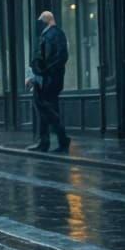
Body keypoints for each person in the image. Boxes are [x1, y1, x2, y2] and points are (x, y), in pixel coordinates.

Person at [28, 9, 71, 153]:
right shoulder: (46, 34)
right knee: (43, 108)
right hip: (45, 79)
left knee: (46, 108)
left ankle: (61, 139)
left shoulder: (56, 34)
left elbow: (62, 56)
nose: (38, 24)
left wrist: (45, 70)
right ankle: (45, 142)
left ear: (46, 20)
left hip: (51, 79)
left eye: (40, 21)